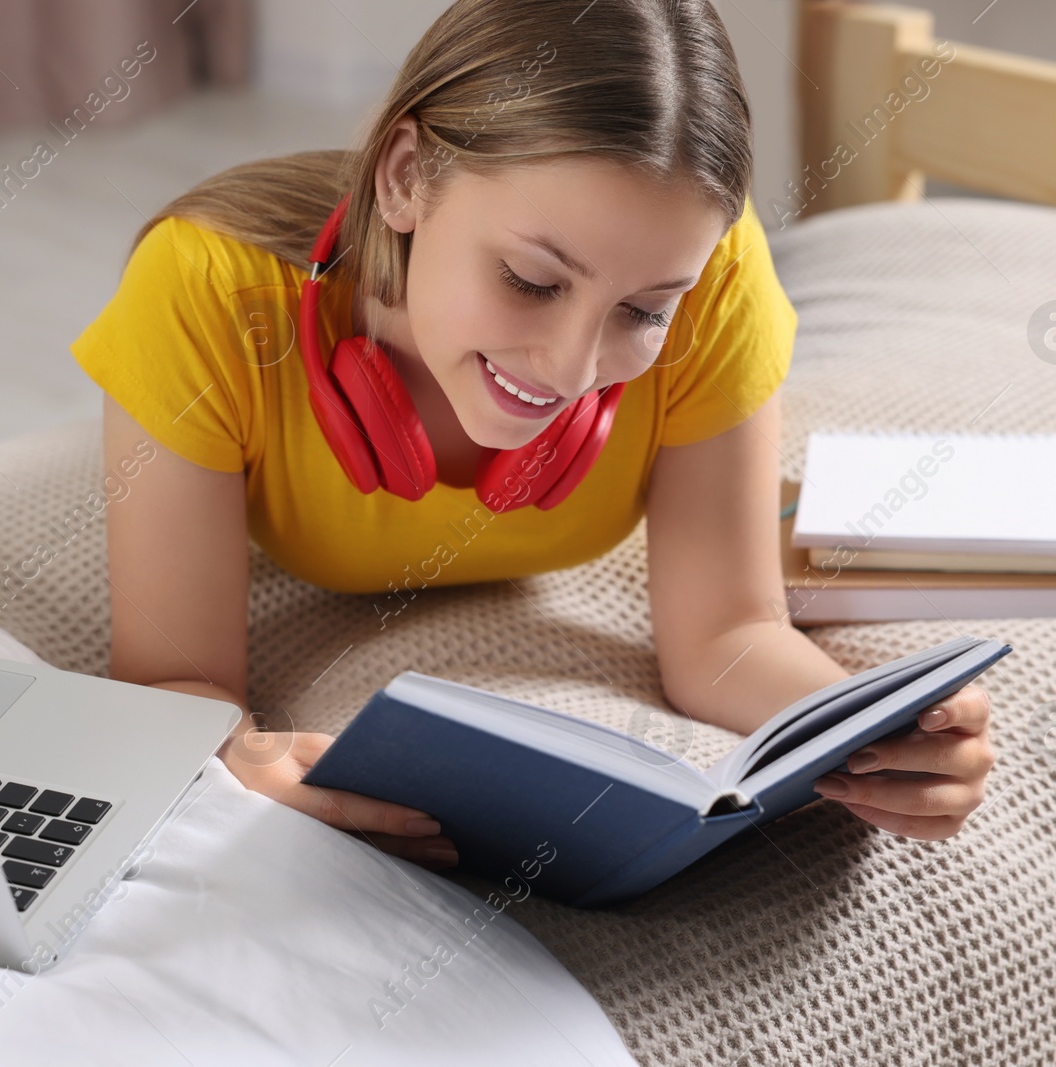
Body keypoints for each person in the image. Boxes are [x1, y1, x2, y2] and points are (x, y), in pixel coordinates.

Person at [70, 0, 994, 871]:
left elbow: (726, 631)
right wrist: (241, 764)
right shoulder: (201, 293)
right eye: (531, 279)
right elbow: (171, 688)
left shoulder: (710, 270)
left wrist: (867, 734)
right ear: (403, 177)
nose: (568, 367)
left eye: (641, 310)